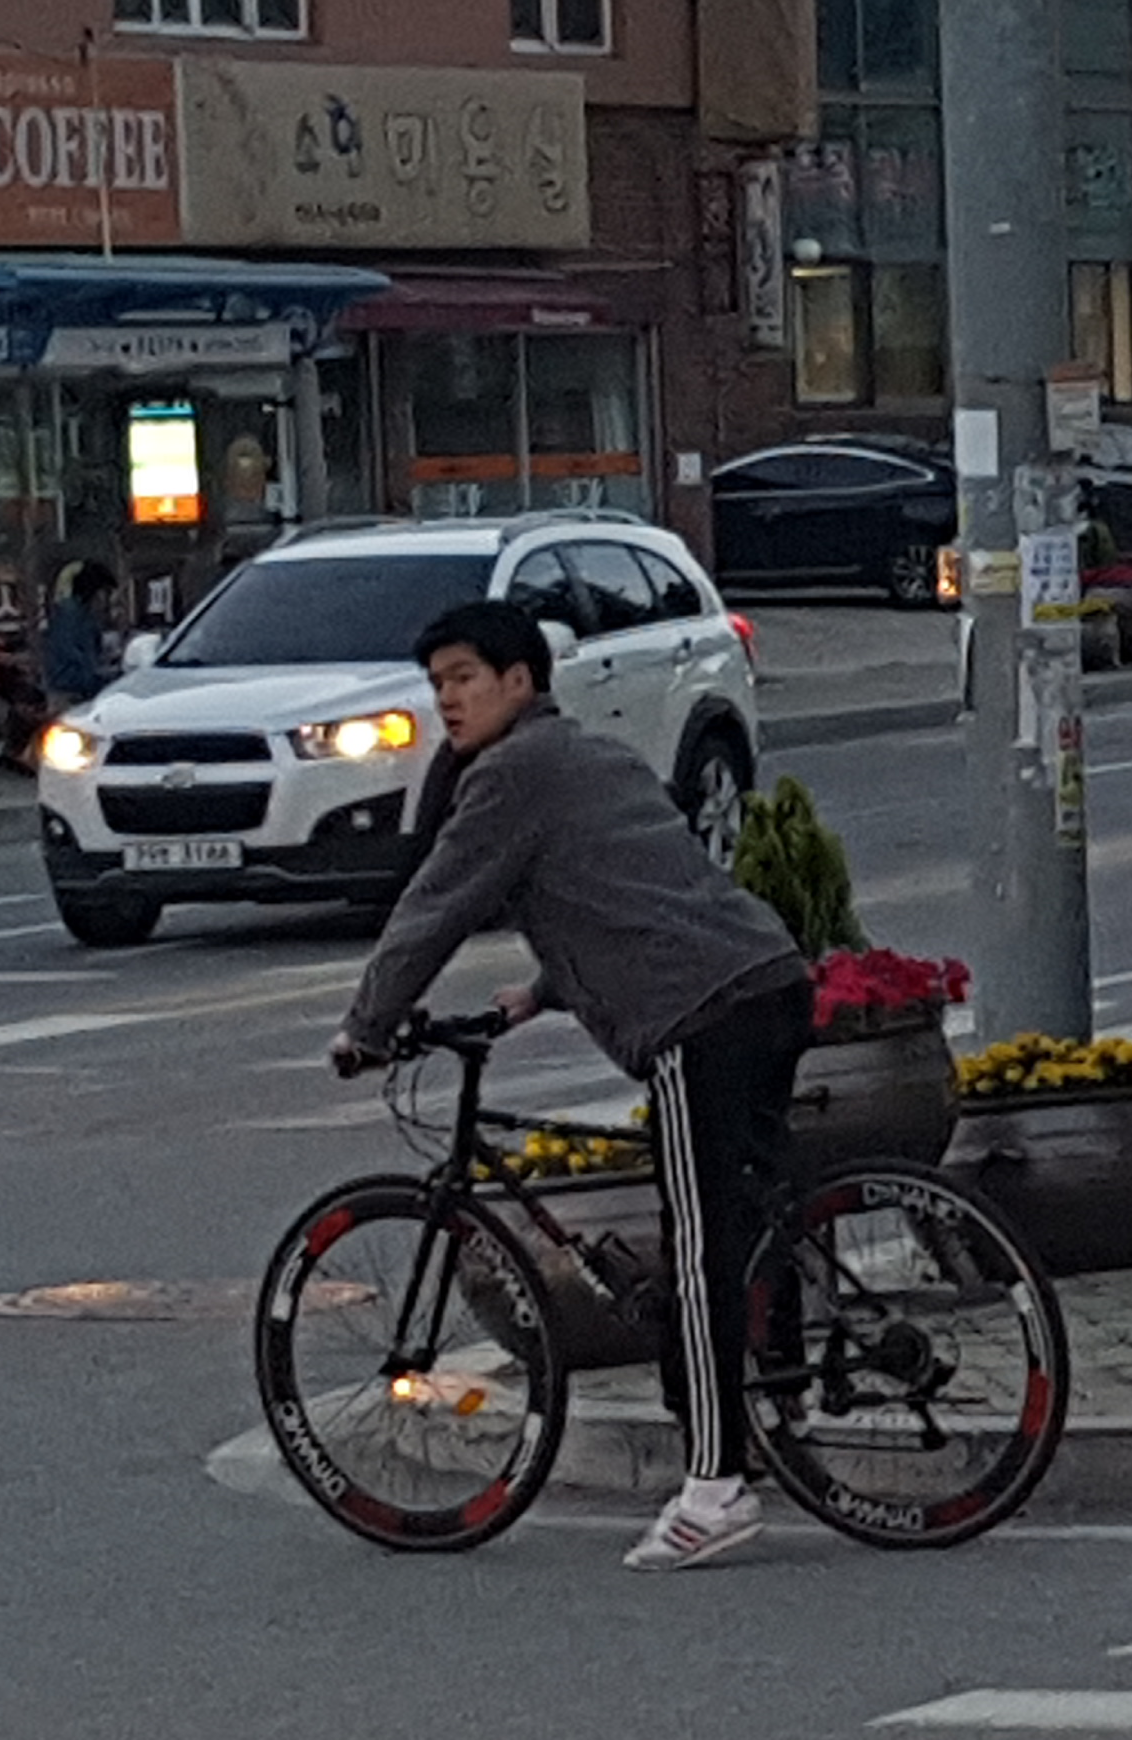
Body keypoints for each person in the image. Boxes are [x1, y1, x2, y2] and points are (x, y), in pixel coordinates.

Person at [328, 599, 814, 1572]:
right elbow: (636, 886)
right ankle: (781, 1407)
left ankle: (716, 1487)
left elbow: (434, 907)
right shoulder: (591, 754)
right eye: (437, 684)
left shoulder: (510, 774)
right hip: (767, 979)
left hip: (697, 1013)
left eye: (464, 679)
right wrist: (540, 993)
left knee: (699, 1248)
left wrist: (367, 1027)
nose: (447, 700)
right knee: (748, 1215)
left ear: (519, 682)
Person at [41, 562, 119, 715]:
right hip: (71, 698)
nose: (108, 601)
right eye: (107, 593)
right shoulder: (72, 619)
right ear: (96, 592)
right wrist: (110, 678)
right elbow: (74, 666)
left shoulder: (78, 616)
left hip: (74, 694)